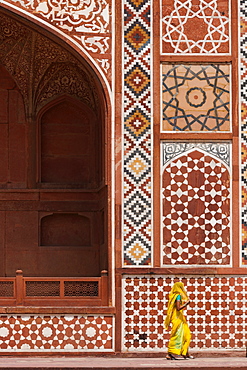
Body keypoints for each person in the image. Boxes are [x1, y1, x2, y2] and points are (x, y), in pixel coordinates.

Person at [164, 281, 193, 360]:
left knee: (186, 335)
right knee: (177, 336)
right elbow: (178, 308)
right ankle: (169, 354)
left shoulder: (173, 296)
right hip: (177, 319)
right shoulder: (178, 296)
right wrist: (186, 304)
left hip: (179, 318)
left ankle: (185, 353)